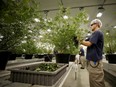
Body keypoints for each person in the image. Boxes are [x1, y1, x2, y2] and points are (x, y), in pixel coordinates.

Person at [80, 19, 105, 87]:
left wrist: (79, 40)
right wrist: (79, 39)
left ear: (97, 24)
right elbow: (85, 42)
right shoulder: (92, 35)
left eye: (92, 24)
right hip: (93, 62)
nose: (90, 26)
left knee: (96, 81)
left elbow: (88, 44)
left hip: (95, 62)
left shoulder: (97, 32)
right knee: (93, 80)